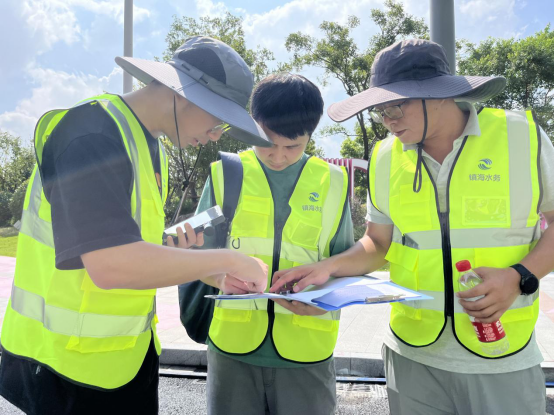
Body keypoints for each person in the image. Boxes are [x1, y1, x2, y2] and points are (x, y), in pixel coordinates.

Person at [271, 39, 554, 415]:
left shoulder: (521, 137)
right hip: (411, 357)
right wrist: (327, 269)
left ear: (439, 94)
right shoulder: (385, 156)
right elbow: (378, 242)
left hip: (502, 355)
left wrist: (520, 277)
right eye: (381, 110)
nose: (388, 119)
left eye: (396, 105)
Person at [0, 36, 272, 415]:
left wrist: (201, 268)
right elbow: (110, 264)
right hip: (67, 370)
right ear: (183, 95)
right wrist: (228, 260)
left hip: (125, 360)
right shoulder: (91, 133)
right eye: (218, 121)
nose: (214, 136)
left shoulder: (150, 146)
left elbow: (130, 245)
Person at [185, 73, 354, 415]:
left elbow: (345, 263)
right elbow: (194, 255)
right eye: (266, 142)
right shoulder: (224, 173)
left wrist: (325, 300)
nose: (278, 156)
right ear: (252, 125)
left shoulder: (333, 182)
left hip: (307, 353)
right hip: (232, 350)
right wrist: (219, 278)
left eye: (292, 146)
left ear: (310, 135)